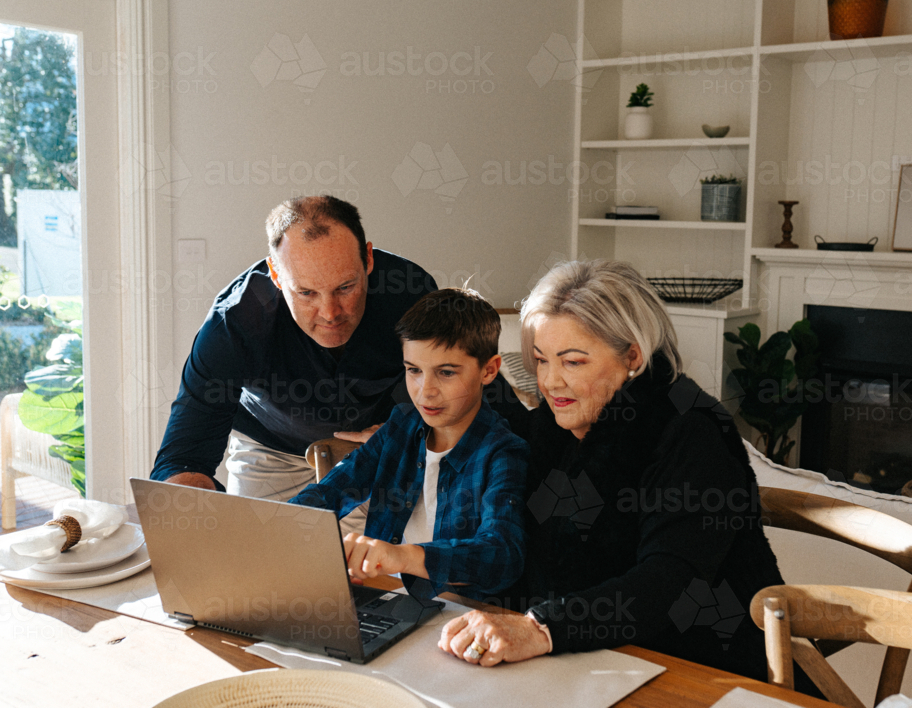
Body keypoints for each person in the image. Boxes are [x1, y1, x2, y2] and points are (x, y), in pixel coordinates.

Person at [436, 259, 789, 684]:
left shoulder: (693, 429)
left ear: (633, 357)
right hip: (583, 666)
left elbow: (666, 584)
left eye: (573, 362)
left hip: (701, 673)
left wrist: (540, 628)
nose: (549, 382)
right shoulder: (554, 426)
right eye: (541, 360)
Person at [150, 196, 437, 504]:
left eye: (345, 287)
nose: (330, 313)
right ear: (275, 273)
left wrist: (411, 430)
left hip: (375, 445)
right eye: (306, 292)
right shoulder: (234, 323)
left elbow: (466, 399)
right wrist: (186, 491)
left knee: (380, 549)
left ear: (367, 259)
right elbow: (184, 454)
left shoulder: (413, 294)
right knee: (258, 549)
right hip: (269, 449)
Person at [289, 288, 529, 602]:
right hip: (386, 599)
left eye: (445, 372)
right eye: (413, 370)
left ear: (488, 370)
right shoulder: (401, 425)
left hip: (461, 617)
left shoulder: (502, 452)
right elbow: (332, 491)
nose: (425, 392)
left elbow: (501, 556)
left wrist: (403, 556)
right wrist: (278, 524)